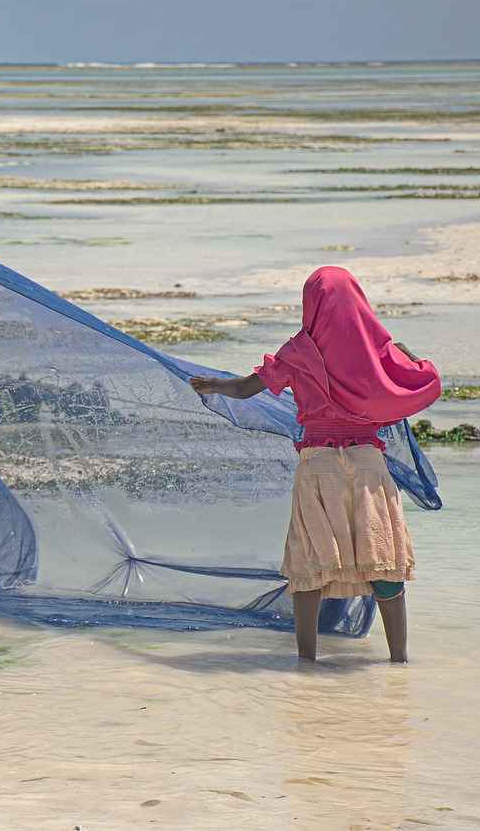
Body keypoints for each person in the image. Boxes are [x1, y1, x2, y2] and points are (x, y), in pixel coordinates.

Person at [189, 267, 441, 663]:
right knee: (383, 563)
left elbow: (244, 388)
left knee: (310, 562)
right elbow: (424, 383)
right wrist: (407, 353)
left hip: (318, 465)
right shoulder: (379, 351)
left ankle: (306, 662)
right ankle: (399, 663)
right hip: (368, 465)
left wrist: (212, 385)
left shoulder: (298, 351)